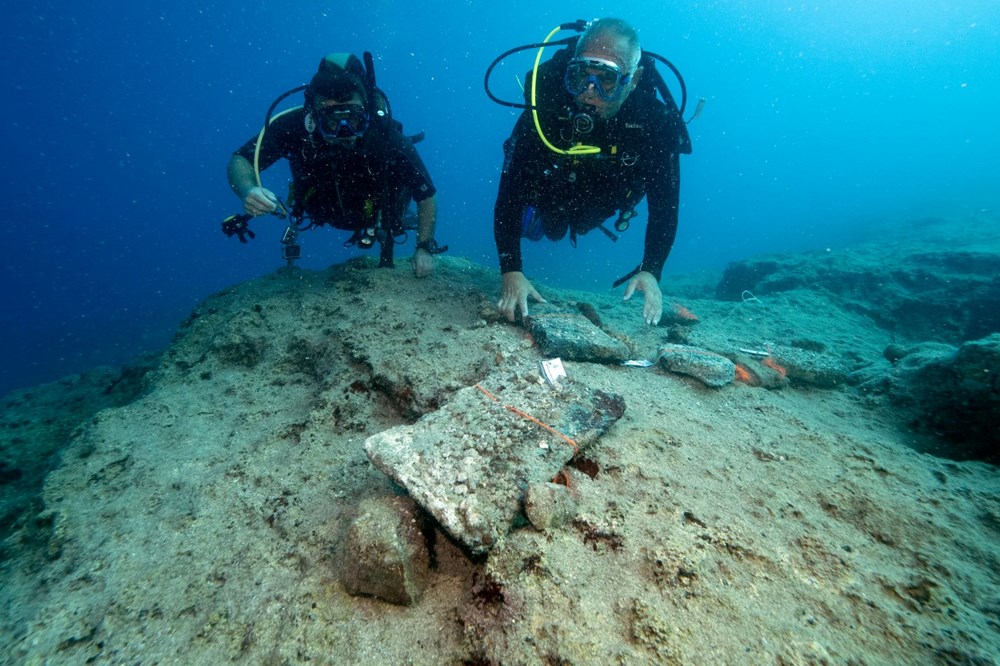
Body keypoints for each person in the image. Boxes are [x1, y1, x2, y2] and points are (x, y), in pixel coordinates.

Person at [493, 18, 692, 324]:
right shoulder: (545, 104)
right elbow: (508, 190)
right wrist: (512, 269)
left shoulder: (654, 123)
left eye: (607, 80)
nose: (589, 91)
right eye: (581, 76)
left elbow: (666, 205)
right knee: (549, 225)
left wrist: (651, 268)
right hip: (551, 191)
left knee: (578, 222)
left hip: (603, 201)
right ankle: (536, 220)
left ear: (634, 79)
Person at [227, 53, 443, 276]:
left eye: (354, 118)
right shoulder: (295, 128)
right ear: (313, 114)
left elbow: (426, 194)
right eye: (331, 120)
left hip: (379, 214)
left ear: (366, 110)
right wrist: (248, 190)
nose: (343, 130)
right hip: (321, 209)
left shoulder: (386, 137)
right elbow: (241, 159)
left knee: (396, 207)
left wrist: (424, 247)